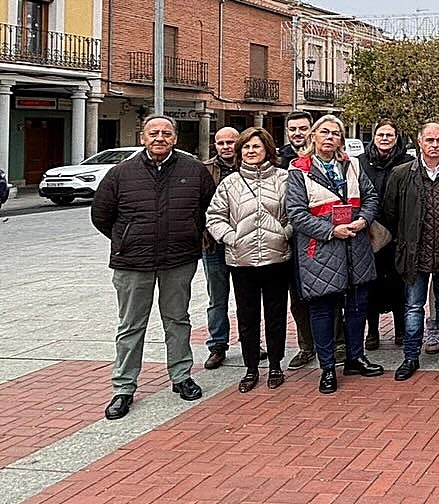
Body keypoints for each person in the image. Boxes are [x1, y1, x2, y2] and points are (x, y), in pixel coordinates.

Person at [91, 115, 217, 420]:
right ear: (142, 136)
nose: (160, 138)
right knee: (131, 326)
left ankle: (181, 376)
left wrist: (189, 234)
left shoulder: (194, 171)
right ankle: (123, 388)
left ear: (175, 138)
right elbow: (101, 216)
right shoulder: (121, 173)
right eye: (153, 133)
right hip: (133, 262)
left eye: (166, 133)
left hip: (178, 260)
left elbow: (209, 209)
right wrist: (127, 238)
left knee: (177, 320)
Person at [286, 114, 385, 394]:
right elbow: (296, 213)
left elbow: (371, 197)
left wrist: (363, 220)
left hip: (356, 246)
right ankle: (328, 367)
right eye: (325, 132)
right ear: (313, 135)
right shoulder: (299, 169)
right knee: (322, 311)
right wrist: (331, 231)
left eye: (336, 133)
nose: (330, 137)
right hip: (321, 250)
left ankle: (355, 357)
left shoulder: (352, 165)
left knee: (357, 307)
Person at [385, 122, 439, 380]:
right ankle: (411, 355)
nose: (435, 145)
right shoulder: (402, 174)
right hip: (416, 254)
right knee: (414, 306)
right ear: (419, 142)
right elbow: (391, 213)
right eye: (430, 140)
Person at [205, 128, 292, 393]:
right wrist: (230, 237)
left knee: (276, 315)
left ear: (267, 149)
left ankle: (276, 364)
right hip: (241, 261)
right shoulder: (230, 183)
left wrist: (284, 234)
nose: (251, 151)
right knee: (247, 316)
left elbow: (296, 213)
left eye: (256, 146)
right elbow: (214, 216)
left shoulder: (284, 179)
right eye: (246, 147)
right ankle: (251, 367)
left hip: (277, 259)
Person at [358, 120, 412, 350]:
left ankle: (400, 328)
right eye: (381, 134)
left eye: (390, 135)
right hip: (370, 231)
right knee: (371, 284)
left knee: (399, 283)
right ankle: (372, 331)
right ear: (374, 136)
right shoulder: (360, 162)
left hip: (399, 231)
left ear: (397, 137)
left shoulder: (408, 162)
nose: (385, 138)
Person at [278, 111, 320, 370]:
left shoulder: (322, 158)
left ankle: (336, 343)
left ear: (311, 130)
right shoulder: (278, 160)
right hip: (289, 239)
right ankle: (306, 346)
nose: (297, 133)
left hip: (319, 236)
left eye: (302, 128)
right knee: (298, 298)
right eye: (292, 129)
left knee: (328, 293)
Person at [201, 126, 239, 371]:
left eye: (230, 142)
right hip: (213, 245)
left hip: (244, 244)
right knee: (217, 298)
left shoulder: (249, 166)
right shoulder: (204, 170)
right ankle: (217, 345)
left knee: (248, 298)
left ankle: (251, 342)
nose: (226, 147)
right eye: (220, 142)